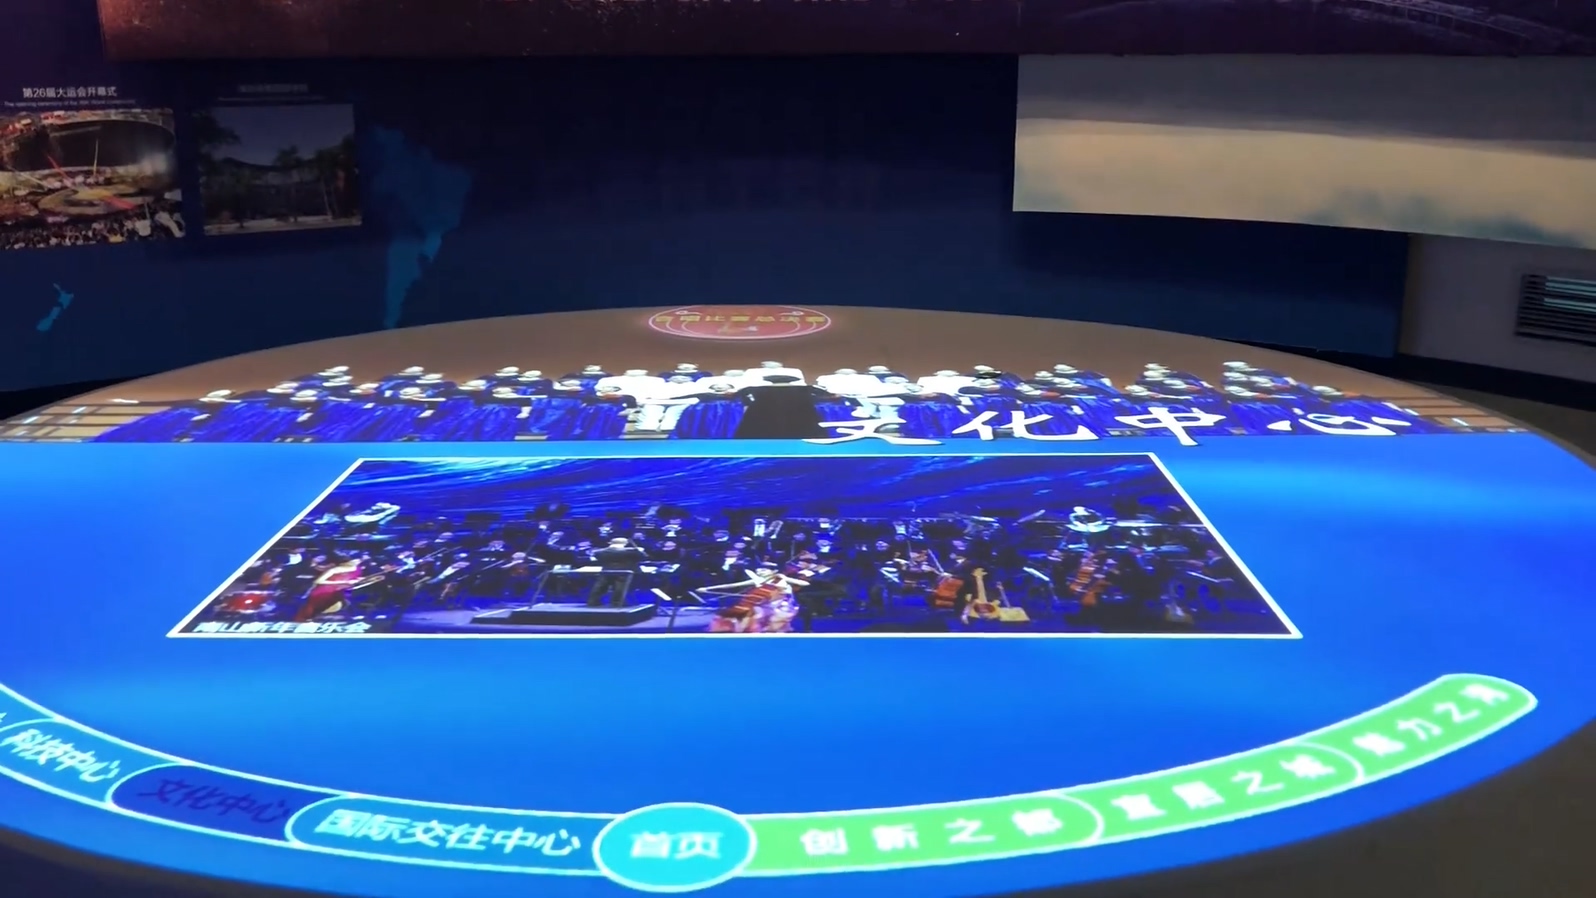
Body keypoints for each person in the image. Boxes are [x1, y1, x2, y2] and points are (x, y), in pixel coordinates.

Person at [588, 537, 646, 607]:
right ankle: (617, 603)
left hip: (606, 573)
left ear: (610, 543)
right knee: (621, 588)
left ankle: (593, 602)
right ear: (625, 543)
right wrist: (640, 551)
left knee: (601, 587)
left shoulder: (599, 552)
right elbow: (643, 557)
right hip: (627, 574)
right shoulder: (633, 552)